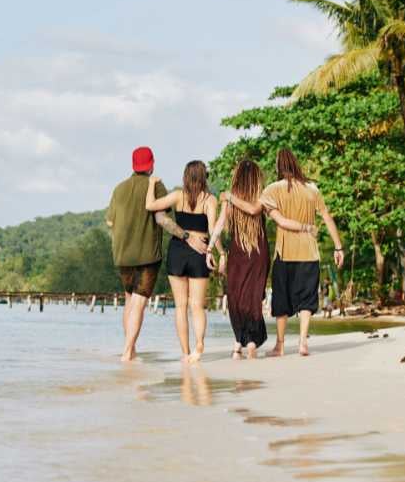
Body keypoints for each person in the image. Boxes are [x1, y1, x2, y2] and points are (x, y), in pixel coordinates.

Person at [107, 146, 207, 362]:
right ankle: (127, 351)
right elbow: (162, 219)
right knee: (140, 303)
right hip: (147, 255)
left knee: (129, 301)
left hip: (122, 255)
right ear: (151, 164)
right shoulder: (157, 185)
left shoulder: (119, 189)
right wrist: (185, 235)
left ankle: (130, 350)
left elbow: (109, 221)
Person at [206, 159, 312, 359]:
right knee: (243, 298)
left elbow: (253, 209)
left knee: (244, 298)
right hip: (251, 253)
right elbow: (219, 224)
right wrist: (211, 248)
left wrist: (230, 197)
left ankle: (246, 341)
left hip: (247, 253)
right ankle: (243, 340)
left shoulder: (262, 197)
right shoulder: (237, 200)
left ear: (238, 179)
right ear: (256, 179)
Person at [259, 149, 344, 356]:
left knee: (281, 300)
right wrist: (338, 247)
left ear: (279, 166)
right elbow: (327, 217)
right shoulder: (312, 189)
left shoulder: (272, 190)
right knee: (307, 299)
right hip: (309, 253)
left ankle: (280, 345)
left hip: (285, 253)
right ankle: (303, 342)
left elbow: (277, 220)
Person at [145, 160, 219, 363]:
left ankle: (185, 352)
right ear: (204, 176)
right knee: (197, 306)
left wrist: (151, 184)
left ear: (186, 176)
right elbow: (213, 230)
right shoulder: (210, 200)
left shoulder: (178, 196)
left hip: (178, 250)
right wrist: (214, 251)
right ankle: (199, 345)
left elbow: (150, 205)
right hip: (200, 251)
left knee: (180, 306)